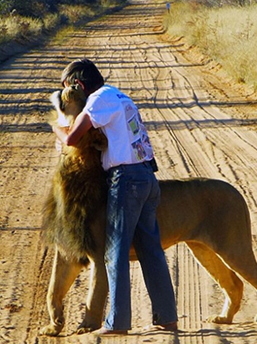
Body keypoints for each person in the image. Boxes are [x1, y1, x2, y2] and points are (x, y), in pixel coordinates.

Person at [52, 59, 178, 335]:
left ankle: (117, 323)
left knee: (114, 253)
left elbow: (72, 138)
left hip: (127, 181)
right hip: (147, 177)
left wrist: (56, 126)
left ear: (79, 85)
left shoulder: (99, 99)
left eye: (69, 89)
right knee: (151, 251)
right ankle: (167, 318)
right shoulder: (119, 95)